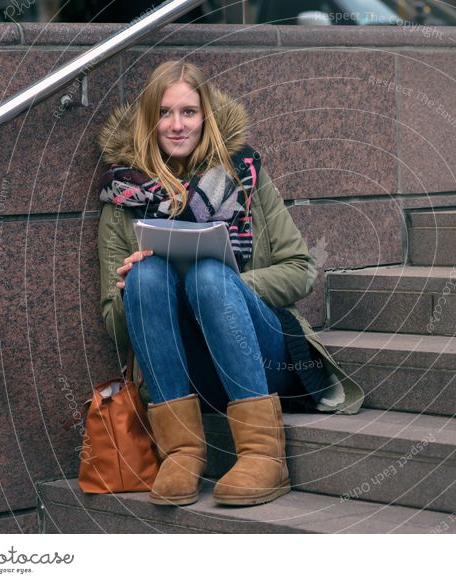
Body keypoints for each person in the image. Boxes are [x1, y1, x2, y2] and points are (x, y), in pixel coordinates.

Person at [95, 60, 364, 507]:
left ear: (207, 117)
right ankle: (180, 452)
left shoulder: (245, 176)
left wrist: (227, 283)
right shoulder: (122, 200)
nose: (177, 125)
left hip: (262, 350)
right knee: (144, 275)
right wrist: (129, 294)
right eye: (165, 113)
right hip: (186, 365)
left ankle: (263, 455)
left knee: (207, 276)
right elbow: (112, 322)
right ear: (149, 120)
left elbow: (300, 268)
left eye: (189, 112)